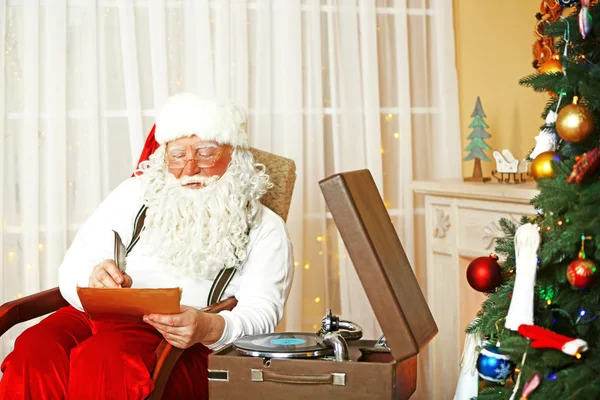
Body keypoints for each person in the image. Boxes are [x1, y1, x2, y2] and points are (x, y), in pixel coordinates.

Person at [0, 93, 295, 399]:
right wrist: (92, 277)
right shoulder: (135, 193)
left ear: (235, 156)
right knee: (34, 350)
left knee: (105, 359)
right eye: (178, 155)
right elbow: (77, 262)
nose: (190, 168)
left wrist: (208, 326)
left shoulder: (266, 228)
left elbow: (261, 314)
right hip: (97, 314)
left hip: (175, 337)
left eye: (206, 153)